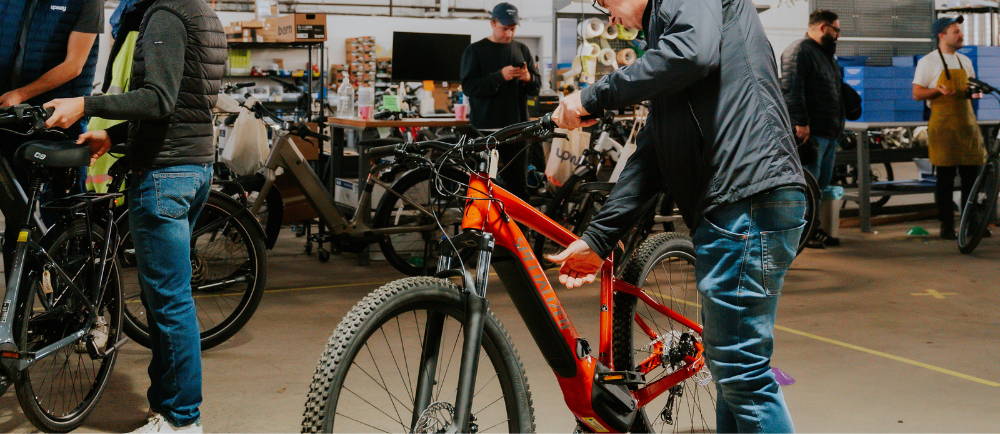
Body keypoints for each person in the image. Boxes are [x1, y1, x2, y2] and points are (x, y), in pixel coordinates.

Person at [549, 0, 805, 432]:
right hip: (737, 203)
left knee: (743, 376)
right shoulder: (675, 44)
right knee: (732, 376)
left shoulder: (685, 21)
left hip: (746, 200)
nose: (608, 14)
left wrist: (594, 95)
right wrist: (597, 239)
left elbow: (692, 53)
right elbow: (653, 153)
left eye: (604, 1)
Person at [43, 0, 227, 432]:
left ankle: (183, 421)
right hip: (193, 167)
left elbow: (158, 97)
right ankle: (169, 412)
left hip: (165, 174)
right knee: (167, 300)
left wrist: (84, 104)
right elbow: (185, 102)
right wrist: (115, 135)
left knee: (168, 303)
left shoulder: (166, 14)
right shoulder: (202, 13)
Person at [0, 0, 103, 277]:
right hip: (11, 122)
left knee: (64, 216)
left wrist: (20, 94)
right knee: (17, 219)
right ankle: (18, 308)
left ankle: (73, 305)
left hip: (59, 124)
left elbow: (74, 65)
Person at [913, 16, 986, 240]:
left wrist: (974, 92)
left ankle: (970, 223)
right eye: (955, 31)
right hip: (943, 127)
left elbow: (973, 90)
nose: (960, 34)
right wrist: (937, 91)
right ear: (941, 35)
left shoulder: (965, 61)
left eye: (960, 30)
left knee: (971, 179)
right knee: (945, 179)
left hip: (967, 125)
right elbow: (917, 93)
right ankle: (946, 226)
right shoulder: (928, 62)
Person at [460, 2, 542, 197]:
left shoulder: (522, 49)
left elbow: (535, 89)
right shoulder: (475, 51)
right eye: (504, 28)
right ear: (493, 23)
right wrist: (499, 76)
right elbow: (470, 88)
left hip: (517, 131)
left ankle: (518, 227)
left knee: (517, 188)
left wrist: (528, 78)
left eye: (513, 29)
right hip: (485, 131)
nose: (509, 34)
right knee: (483, 188)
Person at [781, 9, 845, 248]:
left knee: (820, 186)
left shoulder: (825, 56)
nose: (838, 35)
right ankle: (802, 234)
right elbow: (790, 88)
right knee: (806, 186)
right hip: (811, 132)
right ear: (821, 27)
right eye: (835, 29)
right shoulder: (799, 52)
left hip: (828, 132)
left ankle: (812, 229)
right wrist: (800, 122)